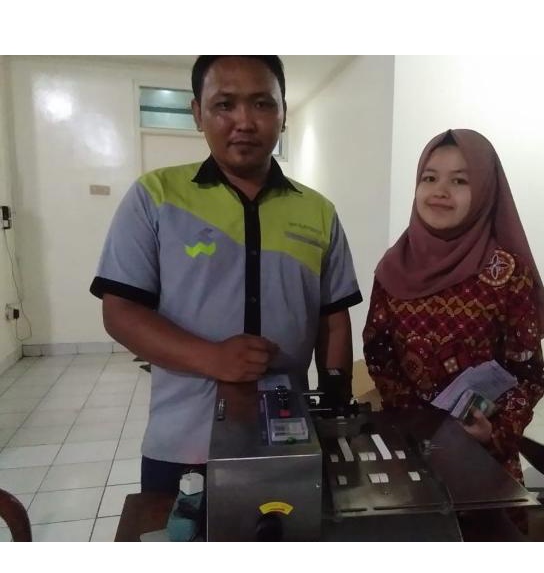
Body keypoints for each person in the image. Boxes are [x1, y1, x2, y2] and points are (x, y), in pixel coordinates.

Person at [90, 56, 362, 492]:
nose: (245, 122)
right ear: (198, 113)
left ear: (283, 113)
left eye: (262, 104)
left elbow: (333, 316)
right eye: (224, 105)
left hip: (291, 435)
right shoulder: (155, 197)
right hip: (184, 442)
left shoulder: (319, 211)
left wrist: (335, 402)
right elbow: (120, 312)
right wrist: (212, 357)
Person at [363, 129, 544, 484]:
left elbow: (528, 375)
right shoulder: (393, 266)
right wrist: (417, 418)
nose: (440, 191)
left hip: (481, 457)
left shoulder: (507, 273)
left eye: (460, 181)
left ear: (485, 191)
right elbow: (378, 352)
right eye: (429, 178)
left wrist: (495, 431)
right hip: (410, 448)